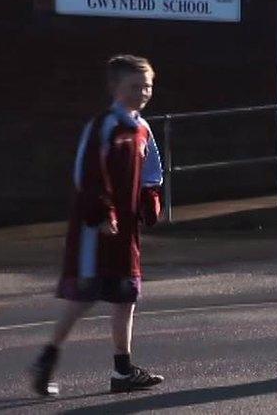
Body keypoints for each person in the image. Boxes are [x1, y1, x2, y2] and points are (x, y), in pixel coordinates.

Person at [30, 55, 165, 395]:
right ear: (115, 87)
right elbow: (86, 173)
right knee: (83, 297)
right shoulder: (104, 125)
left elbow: (152, 174)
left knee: (126, 297)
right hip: (97, 229)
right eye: (135, 86)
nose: (143, 92)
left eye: (147, 85)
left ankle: (123, 371)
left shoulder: (143, 129)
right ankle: (47, 359)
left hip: (127, 232)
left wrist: (151, 201)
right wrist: (103, 213)